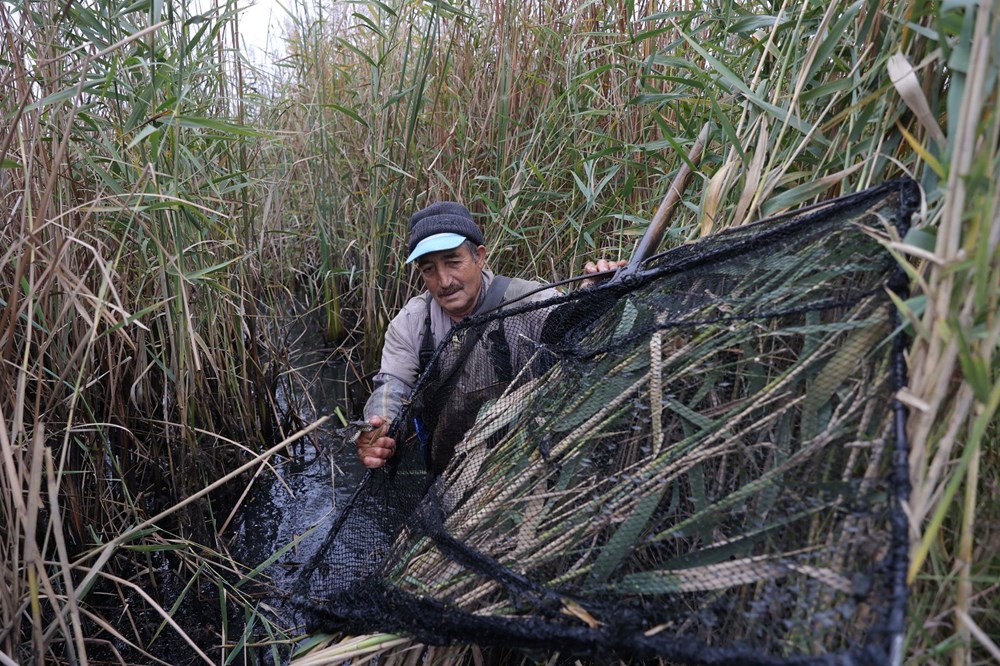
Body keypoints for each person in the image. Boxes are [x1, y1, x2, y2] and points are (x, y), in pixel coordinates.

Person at [357, 201, 624, 470]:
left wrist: (594, 295)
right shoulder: (410, 323)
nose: (445, 281)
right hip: (450, 469)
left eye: (453, 262)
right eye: (429, 270)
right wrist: (379, 427)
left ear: (479, 256)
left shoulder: (527, 300)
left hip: (529, 461)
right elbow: (391, 386)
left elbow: (573, 327)